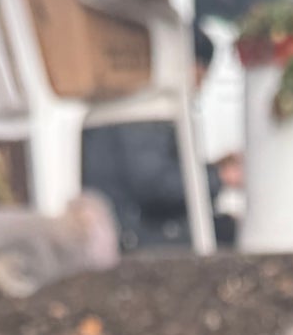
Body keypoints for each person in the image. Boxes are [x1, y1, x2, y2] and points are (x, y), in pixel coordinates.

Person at [81, 25, 242, 251]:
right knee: (232, 233)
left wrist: (213, 169)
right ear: (189, 67)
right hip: (131, 237)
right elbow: (155, 185)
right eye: (200, 79)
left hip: (124, 226)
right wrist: (220, 177)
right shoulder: (147, 108)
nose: (200, 89)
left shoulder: (134, 101)